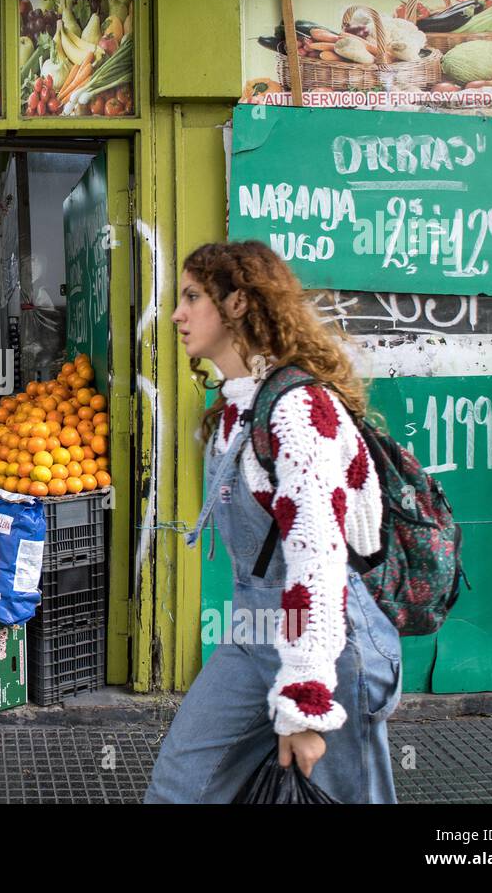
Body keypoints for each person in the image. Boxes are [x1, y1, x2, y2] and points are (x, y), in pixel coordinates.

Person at [145, 240, 401, 804]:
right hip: (253, 633)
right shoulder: (239, 405)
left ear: (238, 304)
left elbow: (319, 559)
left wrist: (307, 701)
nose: (177, 314)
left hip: (331, 644)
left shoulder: (299, 410)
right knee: (180, 786)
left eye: (192, 297)